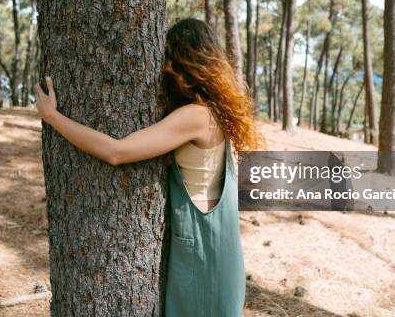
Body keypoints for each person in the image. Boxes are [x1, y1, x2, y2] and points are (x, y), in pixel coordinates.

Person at [35, 18, 263, 316]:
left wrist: (53, 117)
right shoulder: (220, 112)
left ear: (178, 63)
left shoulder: (195, 116)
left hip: (203, 258)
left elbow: (117, 152)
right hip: (223, 253)